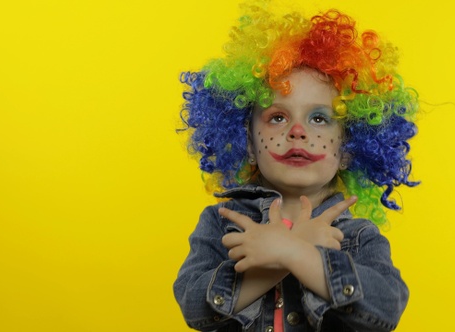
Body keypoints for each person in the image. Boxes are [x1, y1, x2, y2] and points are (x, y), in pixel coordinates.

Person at [174, 1, 419, 331]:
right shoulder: (221, 224)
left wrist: (299, 255)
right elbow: (195, 306)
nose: (298, 131)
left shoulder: (356, 236)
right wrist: (282, 256)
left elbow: (385, 307)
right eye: (278, 117)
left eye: (319, 118)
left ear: (347, 148)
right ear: (247, 143)